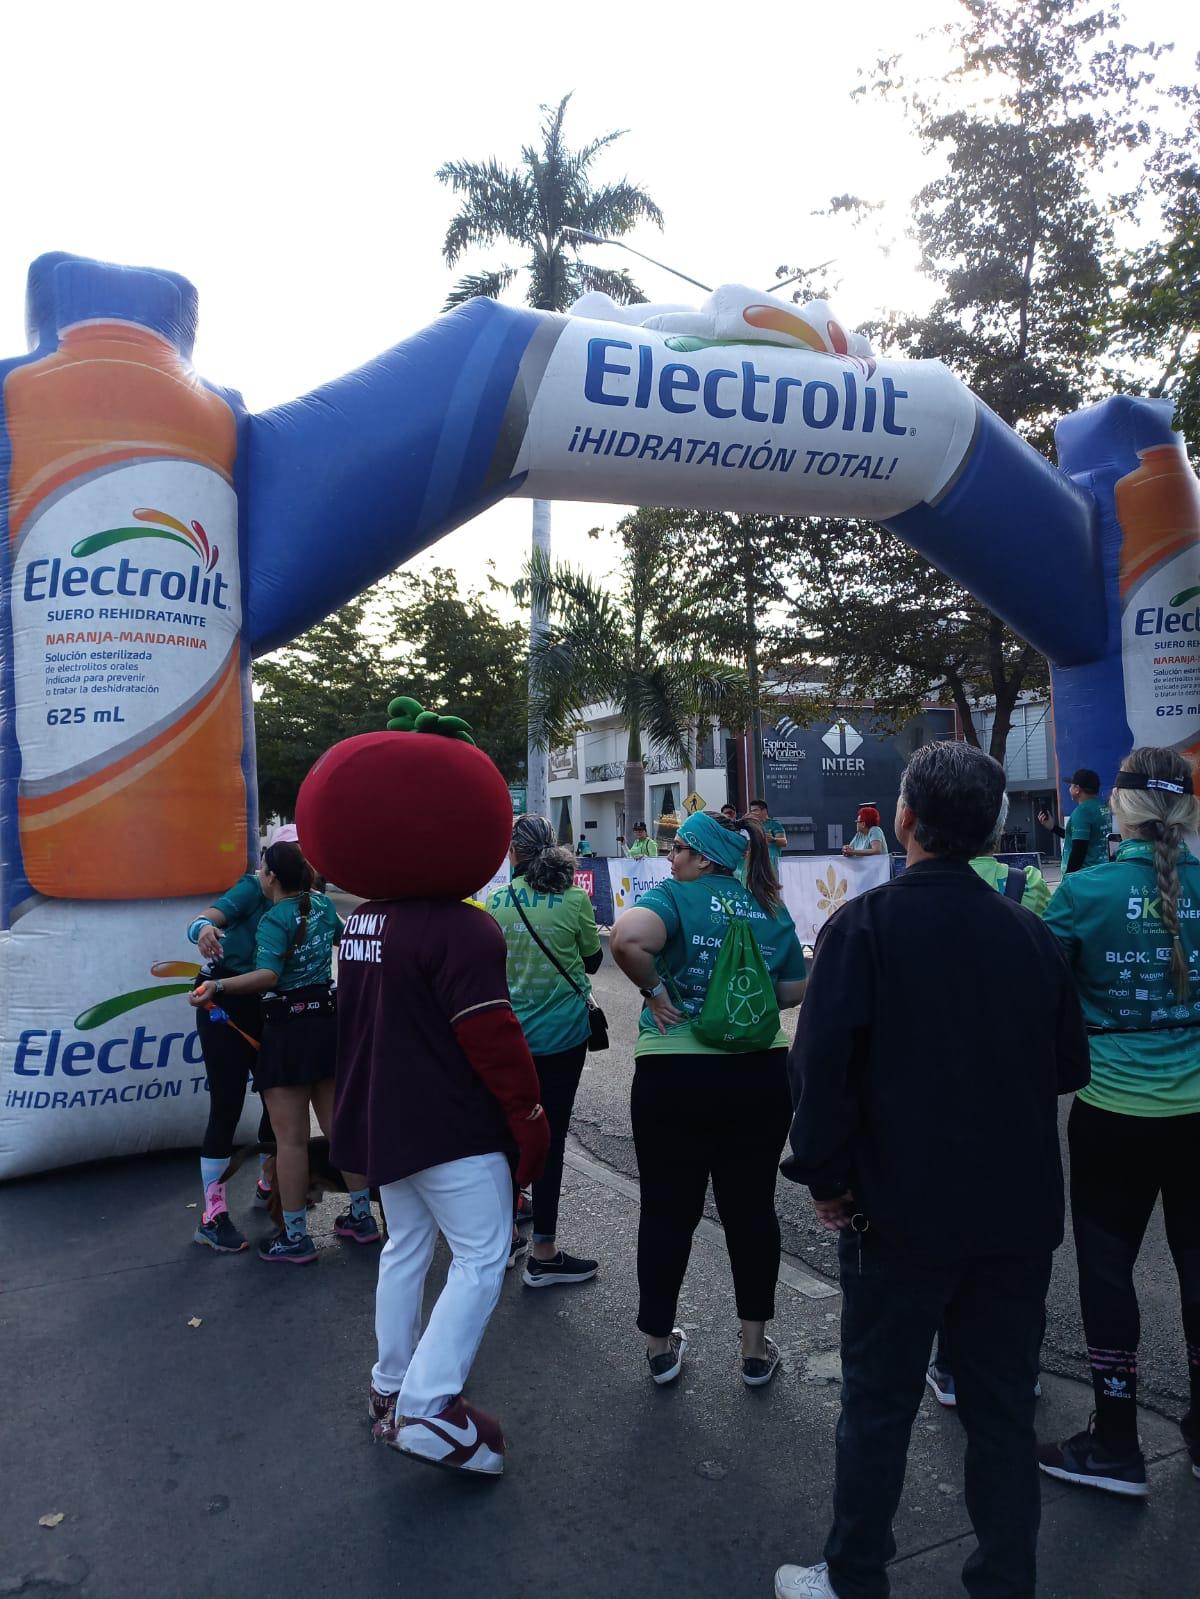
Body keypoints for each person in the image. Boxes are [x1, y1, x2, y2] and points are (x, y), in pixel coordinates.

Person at [775, 740, 1088, 1599]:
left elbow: (818, 1071)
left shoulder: (863, 926)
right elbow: (1068, 1064)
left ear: (904, 819)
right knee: (999, 1413)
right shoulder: (1029, 933)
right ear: (991, 829)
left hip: (896, 1213)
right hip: (1015, 1218)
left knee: (878, 1403)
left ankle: (853, 1575)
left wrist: (828, 1180)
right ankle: (1003, 1580)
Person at [296, 701, 549, 1476]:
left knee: (406, 1247)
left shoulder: (362, 920)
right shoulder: (464, 929)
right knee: (481, 1255)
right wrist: (529, 1114)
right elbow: (494, 1041)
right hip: (453, 1125)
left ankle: (389, 1386)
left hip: (383, 1122)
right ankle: (430, 1406)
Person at [1037, 746, 1200, 1498]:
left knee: (1107, 1275)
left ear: (1120, 811)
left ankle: (1117, 1441)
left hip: (1112, 1117)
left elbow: (1039, 998)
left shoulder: (1084, 892)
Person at [610, 811, 808, 1388]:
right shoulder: (768, 906)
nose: (670, 859)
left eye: (678, 849)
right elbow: (792, 989)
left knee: (669, 1209)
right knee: (752, 1209)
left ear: (702, 858)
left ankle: (657, 1347)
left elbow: (626, 940)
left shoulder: (674, 897)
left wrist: (657, 991)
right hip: (760, 1075)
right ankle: (752, 1349)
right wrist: (743, 987)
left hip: (674, 1074)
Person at [190, 838, 379, 1265]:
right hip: (326, 1022)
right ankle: (362, 1217)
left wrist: (217, 985)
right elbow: (347, 943)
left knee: (290, 1142)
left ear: (272, 875)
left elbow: (267, 976)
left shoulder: (274, 919)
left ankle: (295, 1237)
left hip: (285, 1028)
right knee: (338, 1128)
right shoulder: (323, 906)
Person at [926, 799, 1052, 1405]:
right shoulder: (1028, 889)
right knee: (1009, 1251)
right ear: (999, 830)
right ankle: (1016, 1368)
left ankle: (949, 1366)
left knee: (947, 1236)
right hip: (1014, 1097)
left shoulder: (901, 900)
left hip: (938, 1099)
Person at [486, 815, 603, 1287]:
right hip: (563, 1037)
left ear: (513, 853)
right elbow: (593, 960)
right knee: (549, 1138)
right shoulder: (574, 899)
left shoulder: (494, 903)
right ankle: (544, 1251)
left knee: (506, 1135)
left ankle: (505, 1236)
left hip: (510, 1039)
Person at [185, 829, 287, 1253]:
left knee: (277, 1097)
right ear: (268, 870)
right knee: (227, 1104)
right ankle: (212, 1215)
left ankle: (269, 1184)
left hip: (265, 1005)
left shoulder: (301, 896)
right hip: (221, 1004)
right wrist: (205, 928)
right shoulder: (251, 888)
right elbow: (203, 919)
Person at [1038, 768, 1109, 873]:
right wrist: (1054, 828)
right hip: (1101, 873)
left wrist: (1068, 879)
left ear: (1077, 789)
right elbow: (1079, 839)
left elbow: (1078, 851)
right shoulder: (1104, 809)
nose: (1069, 789)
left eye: (1071, 785)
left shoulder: (1082, 812)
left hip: (1085, 877)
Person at [749, 797, 787, 872]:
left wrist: (773, 839)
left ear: (764, 811)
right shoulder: (751, 825)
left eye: (755, 810)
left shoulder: (775, 824)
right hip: (756, 864)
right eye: (751, 811)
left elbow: (784, 842)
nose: (752, 813)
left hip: (772, 864)